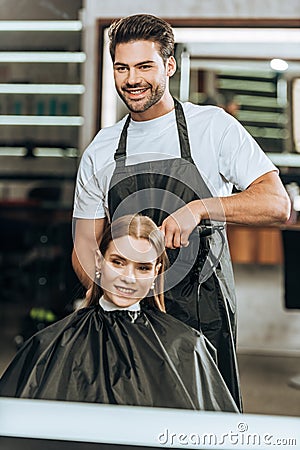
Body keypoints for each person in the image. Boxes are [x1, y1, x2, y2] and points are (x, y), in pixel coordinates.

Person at [72, 14, 290, 411]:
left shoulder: (213, 128)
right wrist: (109, 287)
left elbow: (276, 204)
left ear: (169, 66)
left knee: (203, 420)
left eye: (144, 66)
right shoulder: (101, 150)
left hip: (202, 311)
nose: (131, 79)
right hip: (126, 314)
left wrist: (201, 208)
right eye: (122, 67)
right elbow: (86, 240)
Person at [0, 214, 238, 412]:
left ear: (156, 273)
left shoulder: (186, 347)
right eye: (118, 262)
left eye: (142, 267)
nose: (128, 277)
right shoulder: (49, 346)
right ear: (99, 262)